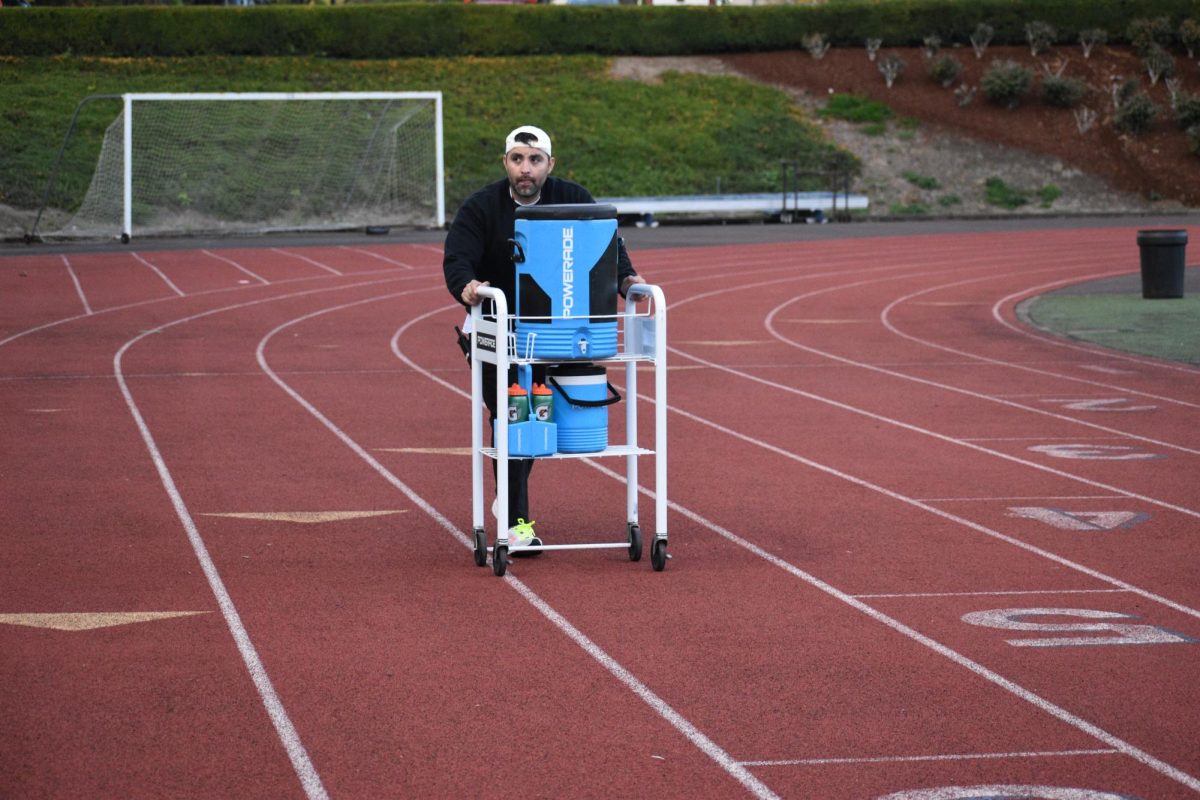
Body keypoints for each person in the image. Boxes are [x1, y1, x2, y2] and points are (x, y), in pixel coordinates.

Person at [443, 124, 645, 555]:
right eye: (517, 159)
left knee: (541, 426)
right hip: (500, 333)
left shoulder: (574, 198)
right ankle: (518, 526)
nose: (526, 169)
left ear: (550, 164)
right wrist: (466, 285)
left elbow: (607, 245)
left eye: (535, 160)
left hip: (563, 332)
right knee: (516, 423)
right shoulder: (481, 208)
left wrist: (627, 279)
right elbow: (457, 257)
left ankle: (510, 500)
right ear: (506, 164)